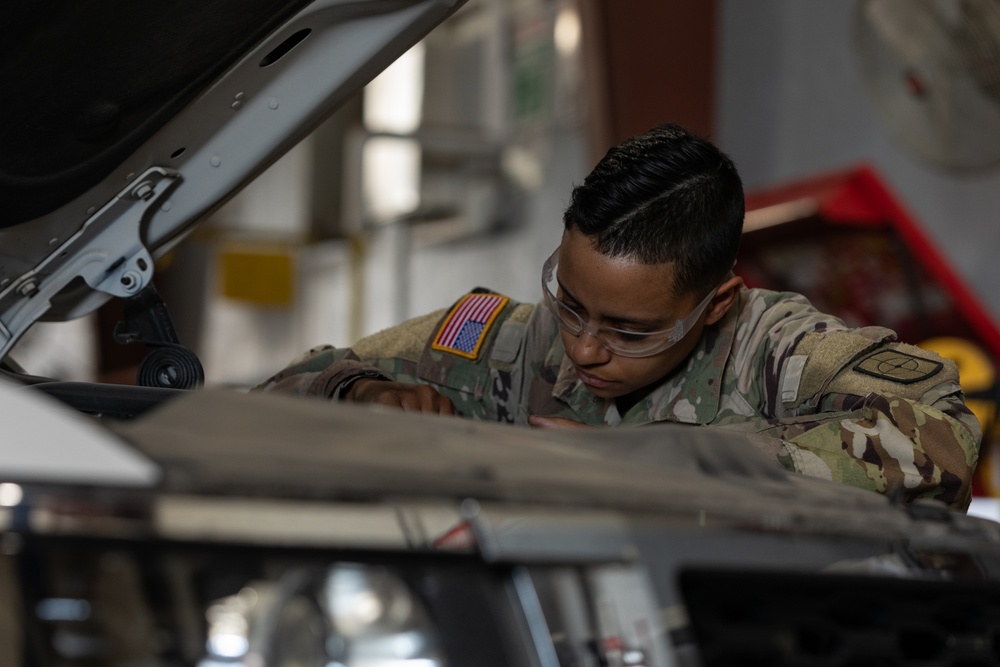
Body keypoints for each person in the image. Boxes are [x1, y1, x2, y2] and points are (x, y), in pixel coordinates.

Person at [254, 123, 981, 510]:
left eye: (630, 330)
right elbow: (285, 387)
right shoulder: (507, 341)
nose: (585, 348)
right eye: (570, 301)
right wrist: (361, 395)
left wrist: (677, 461)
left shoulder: (776, 350)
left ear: (715, 303)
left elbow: (943, 436)